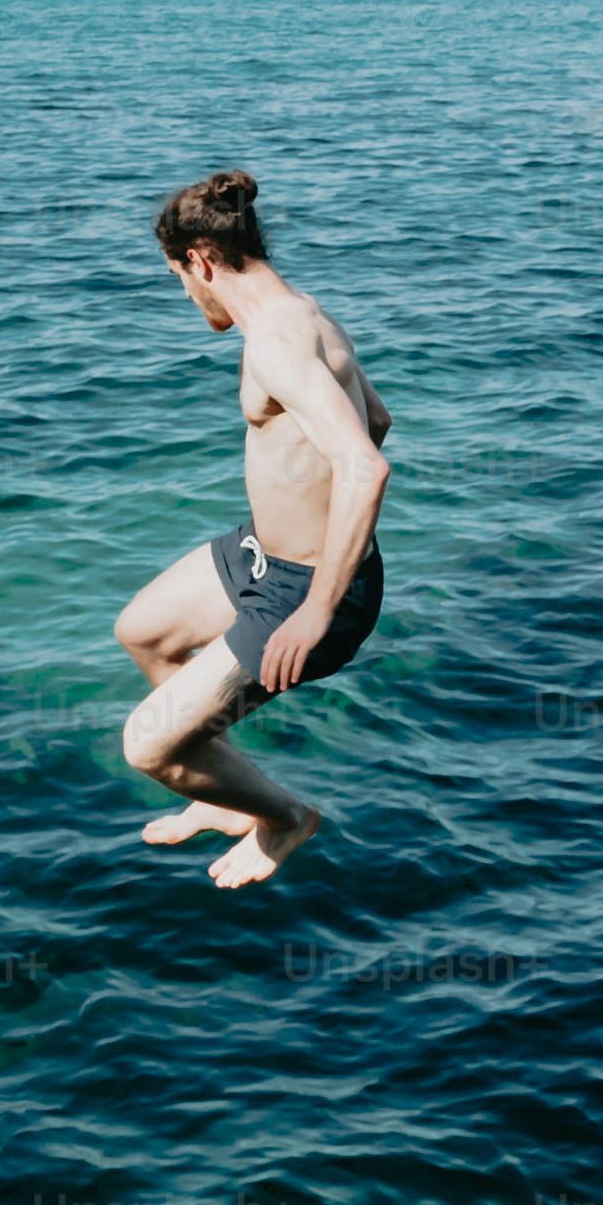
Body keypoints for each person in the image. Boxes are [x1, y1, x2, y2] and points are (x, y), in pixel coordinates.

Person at [112, 168, 389, 887]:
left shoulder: (273, 340)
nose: (186, 294)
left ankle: (283, 817)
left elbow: (365, 463)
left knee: (146, 746)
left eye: (178, 277)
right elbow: (379, 418)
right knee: (143, 630)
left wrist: (318, 608)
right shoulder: (309, 315)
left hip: (305, 591)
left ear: (200, 259)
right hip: (266, 558)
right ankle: (222, 795)